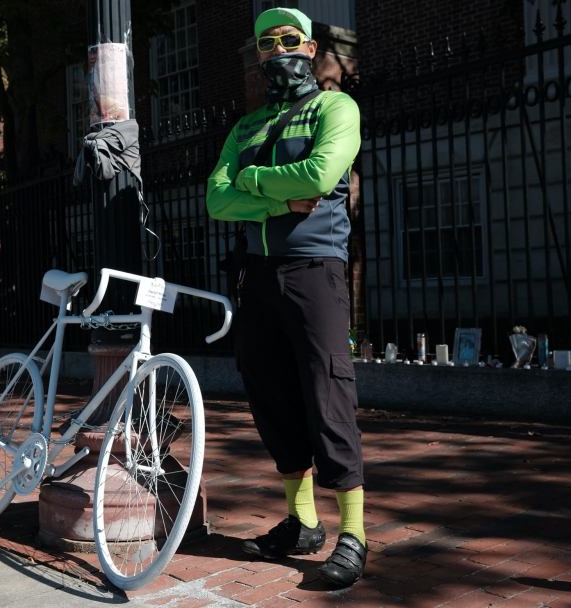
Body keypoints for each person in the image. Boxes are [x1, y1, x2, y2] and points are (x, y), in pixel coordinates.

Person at [206, 8, 366, 589]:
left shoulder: (336, 108)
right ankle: (302, 524)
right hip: (258, 275)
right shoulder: (245, 127)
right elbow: (216, 200)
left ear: (311, 46)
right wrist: (268, 196)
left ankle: (353, 534)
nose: (277, 52)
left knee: (328, 391)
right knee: (268, 390)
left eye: (288, 40)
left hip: (314, 270)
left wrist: (248, 185)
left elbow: (320, 175)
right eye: (266, 44)